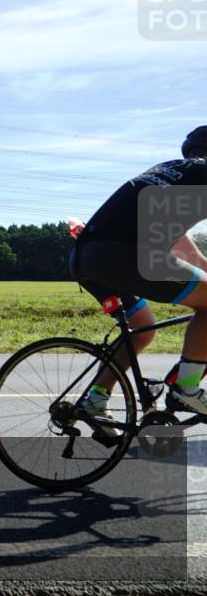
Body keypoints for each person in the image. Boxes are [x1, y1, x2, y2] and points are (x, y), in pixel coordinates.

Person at [72, 125, 207, 424]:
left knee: (142, 327)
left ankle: (95, 399)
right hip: (125, 255)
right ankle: (186, 388)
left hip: (88, 255)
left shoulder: (171, 174)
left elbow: (191, 256)